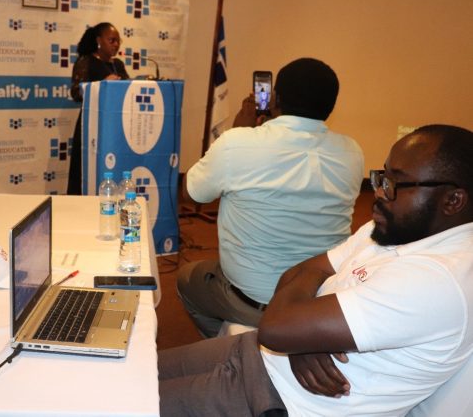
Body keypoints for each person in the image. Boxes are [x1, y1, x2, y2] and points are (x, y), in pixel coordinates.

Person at [159, 124, 473, 417]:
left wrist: (298, 333)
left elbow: (277, 327)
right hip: (260, 355)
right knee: (138, 370)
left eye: (396, 183)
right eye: (382, 177)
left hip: (278, 400)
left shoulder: (439, 280)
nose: (379, 192)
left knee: (130, 402)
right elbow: (300, 271)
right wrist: (303, 339)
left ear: (453, 200)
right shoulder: (396, 227)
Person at [178, 58, 364, 337]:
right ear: (330, 106)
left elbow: (191, 194)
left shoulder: (237, 142)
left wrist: (235, 132)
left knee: (187, 279)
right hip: (319, 297)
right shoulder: (352, 152)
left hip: (253, 301)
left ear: (275, 98)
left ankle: (226, 346)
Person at [67, 22, 129, 195]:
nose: (116, 44)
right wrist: (102, 84)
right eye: (111, 40)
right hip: (91, 126)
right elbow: (76, 92)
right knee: (85, 170)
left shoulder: (118, 65)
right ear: (98, 40)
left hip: (115, 126)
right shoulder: (85, 61)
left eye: (118, 41)